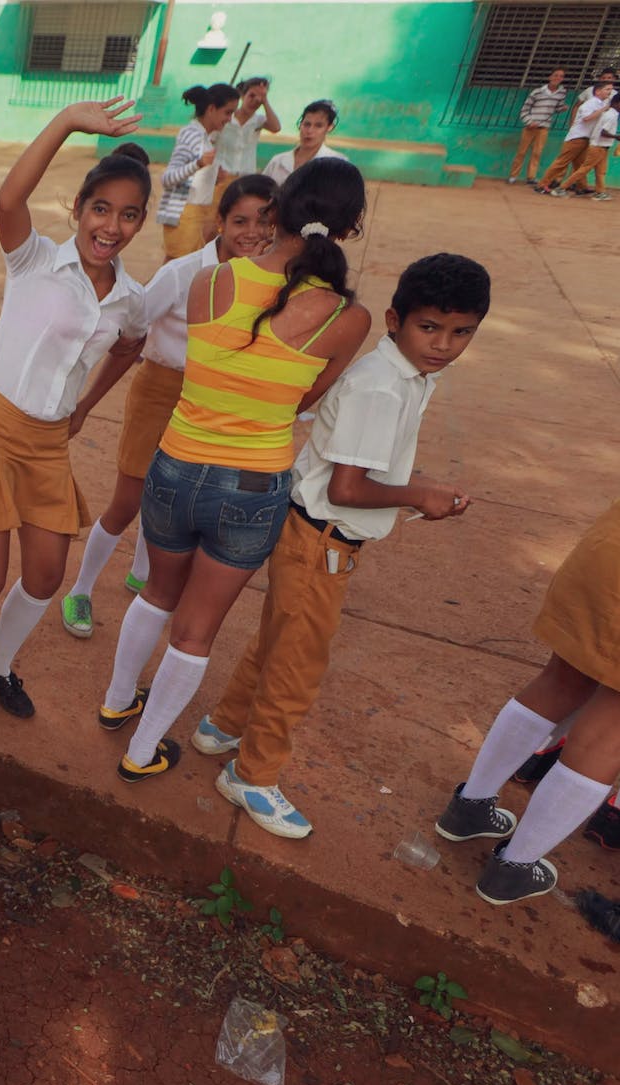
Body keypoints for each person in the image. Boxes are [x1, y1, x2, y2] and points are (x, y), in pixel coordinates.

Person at [191, 255, 488, 837]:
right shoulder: (381, 387)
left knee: (279, 637)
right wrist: (418, 496)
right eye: (430, 328)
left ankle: (221, 727)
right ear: (394, 319)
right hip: (321, 540)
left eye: (461, 332)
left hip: (311, 531)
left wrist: (415, 485)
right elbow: (349, 488)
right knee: (296, 666)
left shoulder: (406, 374)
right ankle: (251, 776)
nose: (444, 345)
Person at [98, 157, 372, 782]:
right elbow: (304, 400)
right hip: (252, 486)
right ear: (349, 228)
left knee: (157, 593)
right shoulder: (346, 318)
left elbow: (210, 371)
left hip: (174, 465)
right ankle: (142, 752)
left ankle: (116, 700)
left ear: (277, 212)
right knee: (196, 630)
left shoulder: (211, 283)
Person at [0, 102, 150, 724]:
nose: (111, 226)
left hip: (49, 442)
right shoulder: (33, 261)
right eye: (100, 209)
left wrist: (83, 409)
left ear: (140, 223)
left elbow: (131, 348)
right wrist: (67, 122)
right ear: (77, 209)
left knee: (49, 574)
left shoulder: (130, 300)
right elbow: (7, 200)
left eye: (128, 215)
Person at [59, 173, 278, 639]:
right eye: (240, 220)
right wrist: (85, 403)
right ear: (218, 222)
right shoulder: (182, 274)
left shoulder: (265, 280)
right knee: (128, 500)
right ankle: (80, 588)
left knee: (178, 499)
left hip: (213, 402)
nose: (253, 233)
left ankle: (143, 573)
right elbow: (129, 335)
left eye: (264, 222)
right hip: (161, 390)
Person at [432, 493, 620, 904]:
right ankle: (513, 870)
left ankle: (469, 808)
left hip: (607, 549)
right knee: (612, 725)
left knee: (561, 678)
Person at [157, 84, 237, 260]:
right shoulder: (192, 135)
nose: (230, 119)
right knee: (176, 271)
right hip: (184, 214)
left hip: (196, 213)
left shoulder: (205, 137)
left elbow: (194, 180)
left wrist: (214, 177)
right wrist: (198, 164)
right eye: (227, 112)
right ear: (211, 109)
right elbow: (168, 179)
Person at [536, 82, 615, 195]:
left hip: (585, 139)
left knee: (580, 164)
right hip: (577, 138)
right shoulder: (591, 103)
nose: (609, 92)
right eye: (607, 89)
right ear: (598, 91)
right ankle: (542, 184)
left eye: (610, 89)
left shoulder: (600, 104)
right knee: (561, 162)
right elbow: (586, 118)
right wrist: (603, 110)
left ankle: (581, 186)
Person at [262, 100, 346, 182]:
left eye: (318, 126)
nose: (310, 131)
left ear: (329, 127)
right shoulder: (278, 162)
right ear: (300, 124)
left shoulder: (337, 164)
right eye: (307, 124)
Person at [510, 68, 569, 184]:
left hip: (544, 127)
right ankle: (513, 175)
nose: (558, 78)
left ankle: (531, 177)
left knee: (537, 153)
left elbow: (556, 108)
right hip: (531, 126)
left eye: (561, 76)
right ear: (550, 77)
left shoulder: (561, 93)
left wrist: (562, 109)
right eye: (555, 75)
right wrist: (529, 121)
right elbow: (525, 109)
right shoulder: (537, 92)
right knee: (522, 152)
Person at [216, 77, 281, 178]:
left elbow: (276, 127)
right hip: (222, 175)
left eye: (260, 98)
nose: (255, 101)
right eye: (251, 96)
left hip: (246, 176)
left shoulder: (259, 121)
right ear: (242, 96)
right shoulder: (227, 119)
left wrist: (265, 101)